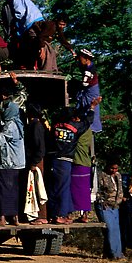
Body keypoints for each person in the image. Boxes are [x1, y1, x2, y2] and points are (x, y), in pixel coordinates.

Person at [46, 96, 102, 225]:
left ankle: (52, 214)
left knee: (54, 188)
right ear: (73, 117)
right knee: (63, 188)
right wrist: (92, 107)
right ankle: (60, 215)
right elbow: (88, 121)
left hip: (54, 160)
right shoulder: (76, 128)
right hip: (65, 161)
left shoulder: (55, 126)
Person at [0, 0, 46, 70]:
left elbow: (20, 13)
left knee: (32, 44)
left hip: (31, 22)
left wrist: (15, 26)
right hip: (31, 22)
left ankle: (34, 66)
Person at [23, 102, 49, 225]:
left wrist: (34, 163)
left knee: (38, 188)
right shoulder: (36, 125)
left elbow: (40, 148)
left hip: (36, 161)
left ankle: (42, 216)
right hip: (35, 160)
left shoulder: (36, 126)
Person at [94, 160, 125, 261]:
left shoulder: (118, 176)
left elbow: (120, 189)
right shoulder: (101, 176)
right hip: (104, 205)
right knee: (109, 229)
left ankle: (114, 253)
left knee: (116, 229)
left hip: (115, 206)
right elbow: (97, 191)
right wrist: (102, 202)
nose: (114, 170)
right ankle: (113, 253)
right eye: (112, 168)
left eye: (116, 168)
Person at [75, 48, 102, 133]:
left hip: (91, 90)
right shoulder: (86, 66)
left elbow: (85, 83)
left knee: (91, 107)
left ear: (86, 59)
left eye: (80, 58)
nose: (79, 60)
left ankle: (92, 128)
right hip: (87, 90)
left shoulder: (90, 70)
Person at [70, 126, 94, 223]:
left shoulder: (76, 129)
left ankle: (70, 214)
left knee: (72, 189)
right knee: (84, 190)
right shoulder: (89, 131)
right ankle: (85, 214)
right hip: (86, 163)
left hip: (77, 161)